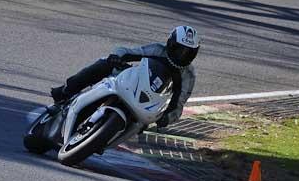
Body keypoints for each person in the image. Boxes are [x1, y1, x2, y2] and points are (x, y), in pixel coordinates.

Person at [49, 25, 200, 129]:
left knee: (142, 126)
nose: (182, 55)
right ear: (169, 43)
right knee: (104, 63)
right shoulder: (157, 50)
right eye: (178, 49)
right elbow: (127, 51)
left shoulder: (189, 76)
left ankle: (105, 138)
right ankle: (66, 91)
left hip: (151, 103)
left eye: (188, 53)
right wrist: (116, 56)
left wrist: (166, 119)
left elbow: (178, 104)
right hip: (134, 82)